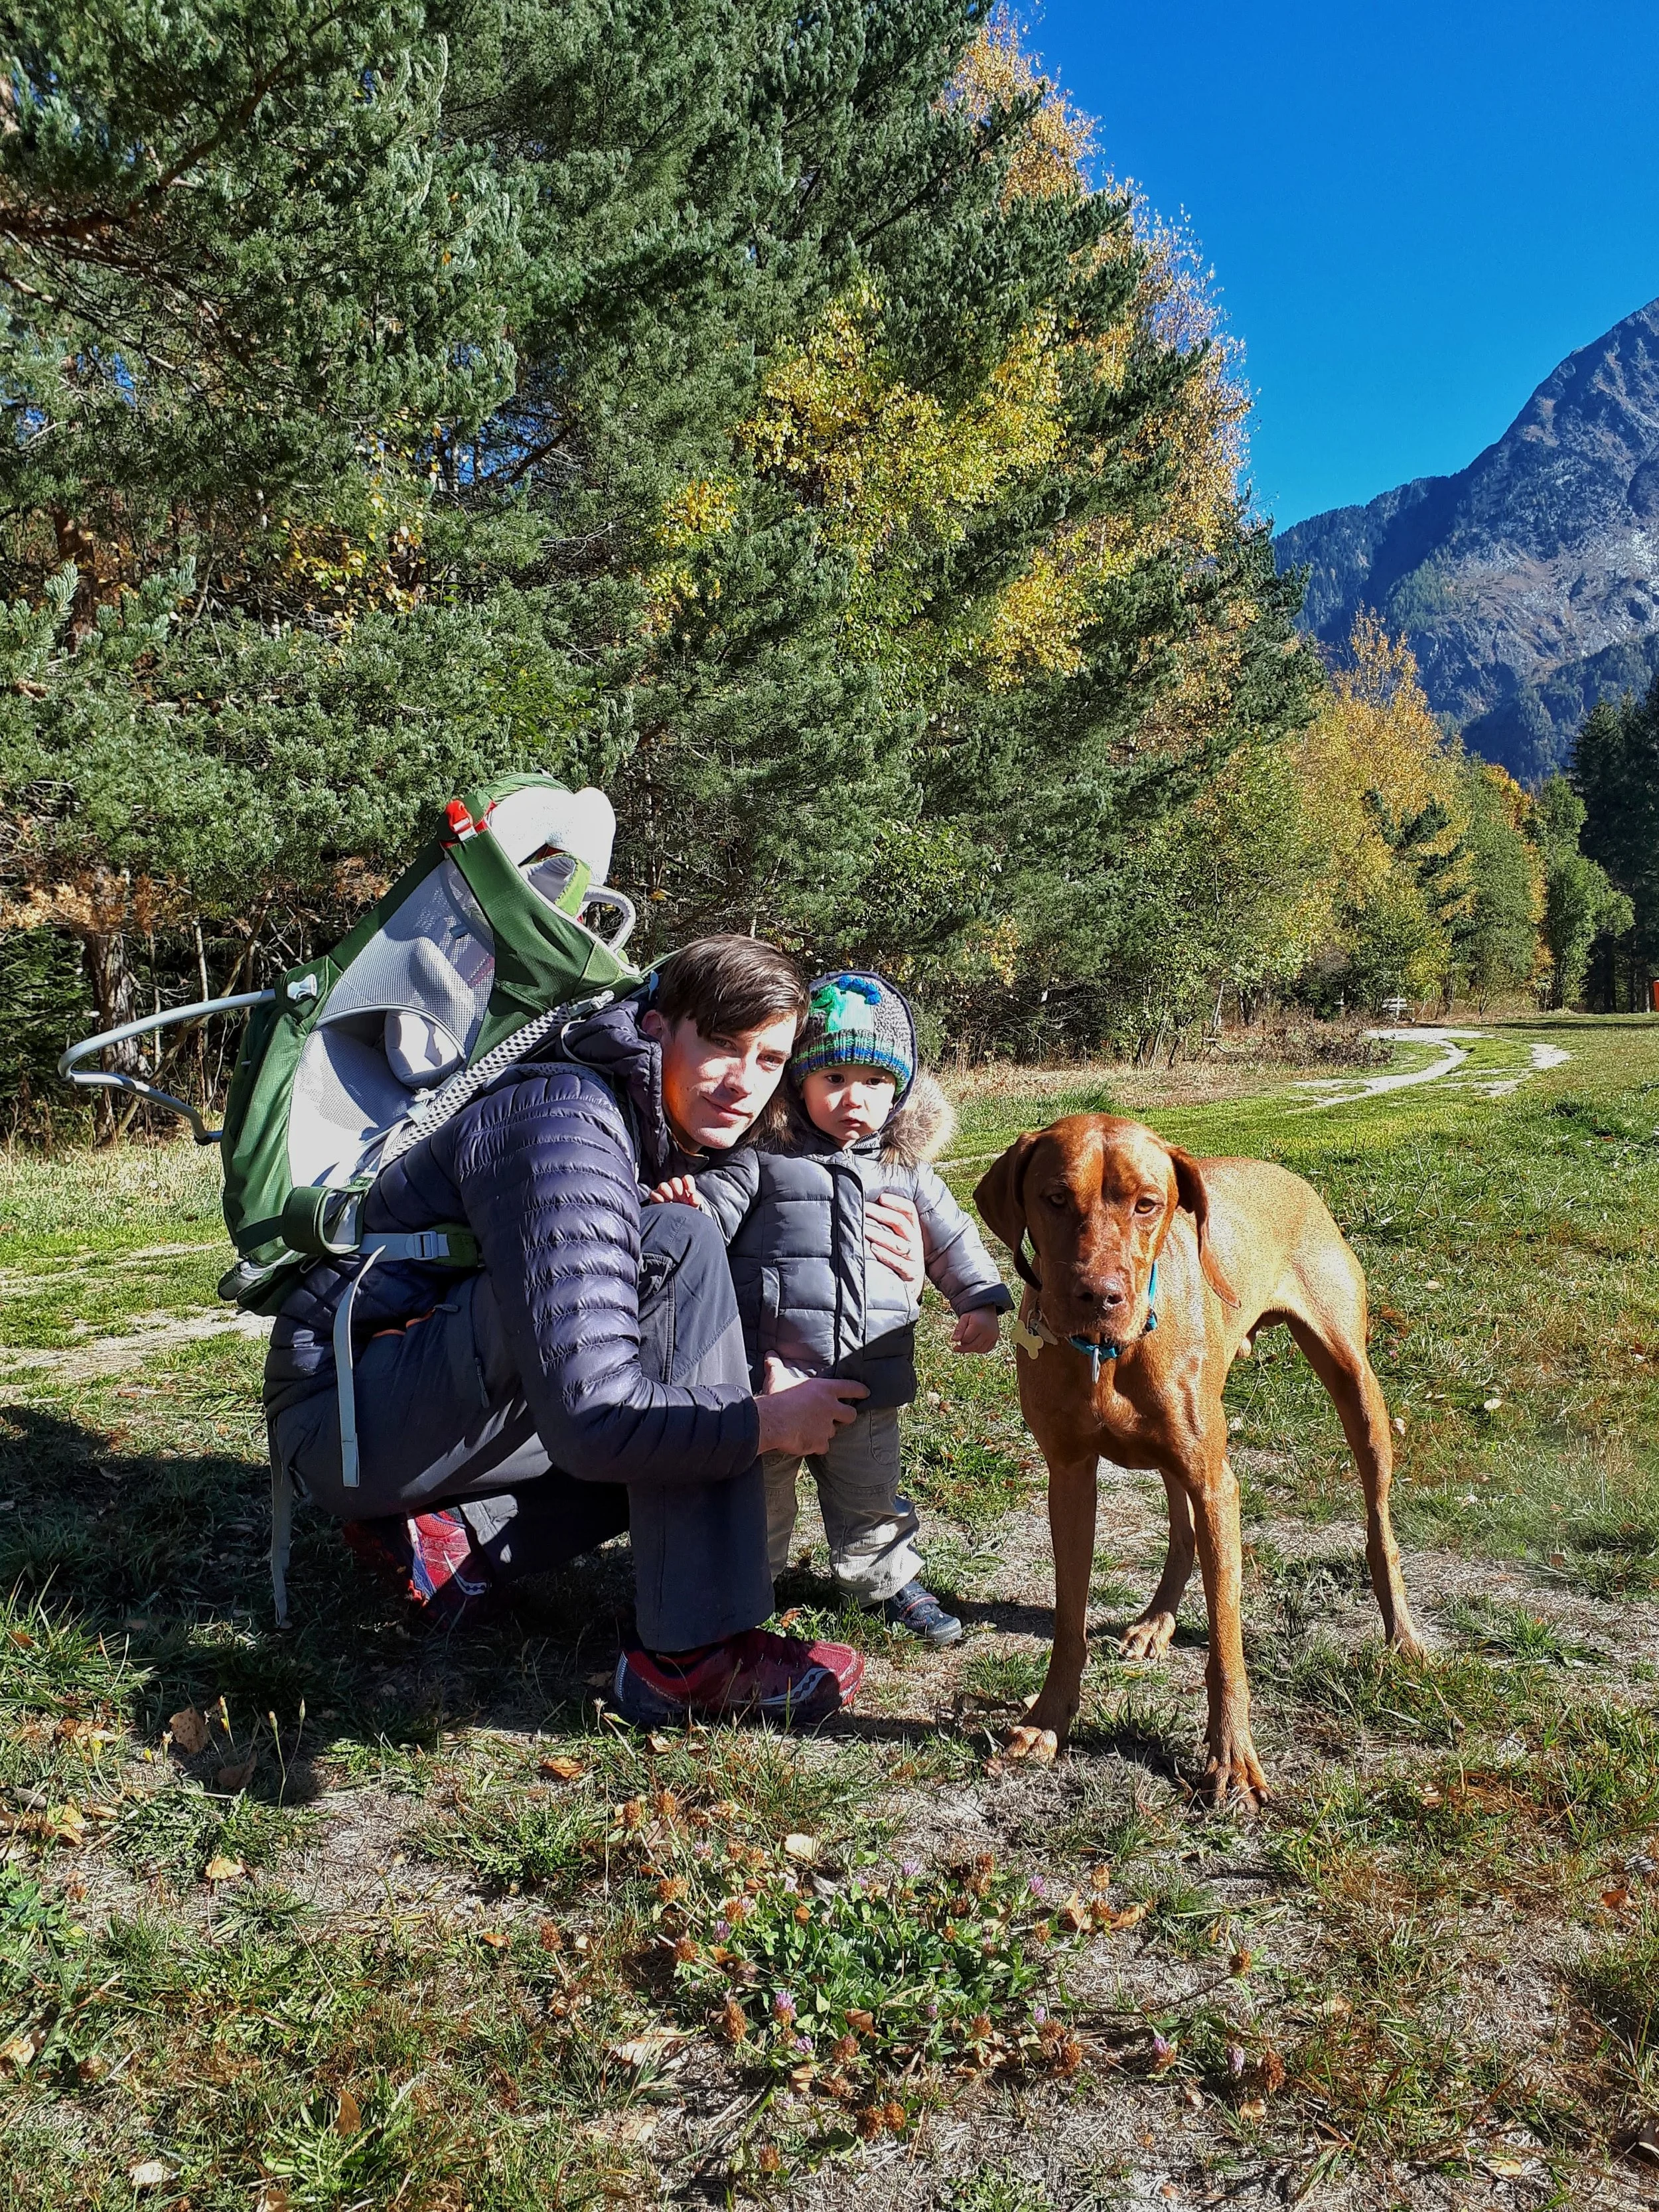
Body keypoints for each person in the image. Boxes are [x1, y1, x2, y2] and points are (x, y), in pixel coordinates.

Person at [261, 936, 928, 1726]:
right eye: (720, 1043)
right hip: (343, 1414)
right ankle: (692, 1660)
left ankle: (454, 1540)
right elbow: (598, 1422)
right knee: (676, 1248)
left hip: (404, 1401)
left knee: (682, 1290)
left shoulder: (656, 1120)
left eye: (769, 1059)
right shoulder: (563, 1124)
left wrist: (886, 1266)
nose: (742, 1083)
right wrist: (765, 1420)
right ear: (654, 1027)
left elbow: (738, 1286)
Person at [648, 970, 1011, 1646]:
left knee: (870, 1492)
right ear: (800, 1086)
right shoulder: (763, 1160)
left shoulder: (906, 1173)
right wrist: (691, 1208)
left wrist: (980, 1300)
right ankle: (745, 1584)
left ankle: (887, 1580)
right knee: (757, 1496)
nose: (855, 1099)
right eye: (834, 1079)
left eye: (874, 1082)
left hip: (867, 1376)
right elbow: (717, 1213)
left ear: (898, 1092)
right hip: (773, 1377)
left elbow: (954, 1239)